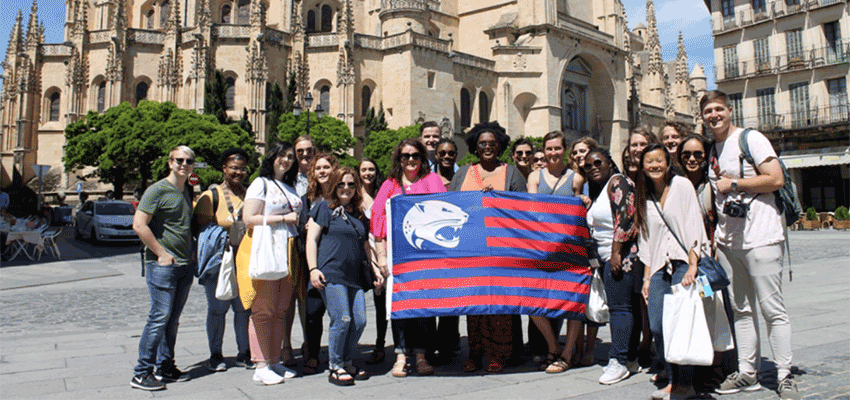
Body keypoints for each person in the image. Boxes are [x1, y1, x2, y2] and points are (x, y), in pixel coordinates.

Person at [701, 91, 798, 399]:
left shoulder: (751, 139)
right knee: (741, 309)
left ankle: (784, 375)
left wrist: (737, 183)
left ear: (730, 111)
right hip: (729, 241)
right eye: (708, 111)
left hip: (762, 236)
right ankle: (748, 373)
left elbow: (776, 178)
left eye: (719, 109)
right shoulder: (711, 148)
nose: (714, 115)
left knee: (773, 309)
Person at [449, 121, 527, 374]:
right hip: (471, 250)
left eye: (492, 144)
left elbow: (523, 209)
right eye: (482, 143)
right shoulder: (463, 172)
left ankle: (499, 354)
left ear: (500, 146)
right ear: (475, 146)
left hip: (502, 250)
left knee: (499, 306)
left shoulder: (511, 172)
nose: (487, 148)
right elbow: (451, 206)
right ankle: (474, 352)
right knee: (474, 306)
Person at [636, 144, 710, 400]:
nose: (654, 165)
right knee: (658, 326)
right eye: (649, 161)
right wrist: (646, 278)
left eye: (659, 160)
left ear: (668, 163)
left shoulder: (681, 186)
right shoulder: (644, 195)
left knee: (682, 322)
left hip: (683, 263)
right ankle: (672, 377)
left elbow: (694, 224)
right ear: (643, 166)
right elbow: (646, 240)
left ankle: (685, 383)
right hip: (657, 267)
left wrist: (692, 264)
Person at [372, 138, 446, 377]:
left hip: (426, 256)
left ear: (423, 157)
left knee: (424, 306)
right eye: (406, 156)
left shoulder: (432, 180)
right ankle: (402, 355)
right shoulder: (390, 185)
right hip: (397, 257)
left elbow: (444, 209)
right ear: (399, 159)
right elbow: (377, 219)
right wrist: (381, 256)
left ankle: (422, 356)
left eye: (415, 155)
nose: (411, 160)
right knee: (400, 307)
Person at [306, 166, 383, 386]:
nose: (346, 188)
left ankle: (347, 360)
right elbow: (312, 239)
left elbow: (366, 245)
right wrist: (313, 269)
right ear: (334, 186)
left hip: (355, 275)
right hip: (331, 273)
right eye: (341, 184)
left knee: (359, 321)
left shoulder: (357, 214)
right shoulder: (323, 208)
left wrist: (375, 269)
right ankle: (335, 365)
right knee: (342, 319)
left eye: (351, 184)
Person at [130, 145, 196, 391]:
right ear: (170, 162)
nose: (184, 164)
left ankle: (165, 366)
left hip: (183, 265)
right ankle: (141, 372)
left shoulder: (185, 190)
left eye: (189, 161)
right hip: (163, 265)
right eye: (179, 159)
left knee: (172, 320)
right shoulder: (157, 190)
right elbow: (139, 224)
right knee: (159, 318)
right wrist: (161, 253)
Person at [239, 142, 302, 385]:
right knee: (263, 310)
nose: (286, 160)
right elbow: (249, 218)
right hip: (267, 249)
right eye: (281, 156)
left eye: (289, 157)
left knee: (280, 310)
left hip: (288, 249)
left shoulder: (289, 185)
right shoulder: (260, 183)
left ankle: (274, 360)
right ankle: (261, 364)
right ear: (271, 158)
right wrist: (283, 218)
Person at [525, 131, 586, 373]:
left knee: (573, 302)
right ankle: (553, 346)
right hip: (541, 249)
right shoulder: (535, 177)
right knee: (533, 302)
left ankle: (567, 353)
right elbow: (530, 210)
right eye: (549, 149)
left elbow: (580, 207)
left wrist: (583, 200)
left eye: (557, 149)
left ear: (565, 150)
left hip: (569, 249)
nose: (552, 153)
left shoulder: (576, 178)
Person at [581, 148, 642, 385]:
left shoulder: (618, 182)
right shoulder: (601, 189)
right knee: (627, 308)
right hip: (608, 256)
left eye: (598, 162)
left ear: (610, 163)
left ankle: (618, 360)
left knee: (620, 309)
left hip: (622, 256)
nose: (593, 167)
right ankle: (630, 358)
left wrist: (616, 253)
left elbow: (626, 217)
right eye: (588, 165)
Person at [192, 148, 253, 372]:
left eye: (242, 168)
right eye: (233, 168)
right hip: (220, 262)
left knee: (243, 309)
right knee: (217, 309)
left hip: (245, 261)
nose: (238, 172)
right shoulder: (212, 197)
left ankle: (243, 353)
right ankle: (215, 354)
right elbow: (199, 231)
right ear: (224, 169)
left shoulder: (249, 195)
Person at [299, 153, 341, 375]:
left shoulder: (342, 193)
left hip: (337, 260)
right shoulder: (309, 198)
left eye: (327, 167)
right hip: (315, 261)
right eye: (318, 168)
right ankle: (313, 354)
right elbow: (300, 226)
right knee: (313, 312)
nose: (323, 171)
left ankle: (339, 355)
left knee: (341, 313)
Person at [359, 157, 390, 365]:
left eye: (371, 169)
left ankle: (380, 345)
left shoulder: (382, 193)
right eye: (364, 170)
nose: (368, 173)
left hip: (380, 251)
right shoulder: (353, 195)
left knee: (381, 303)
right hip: (361, 254)